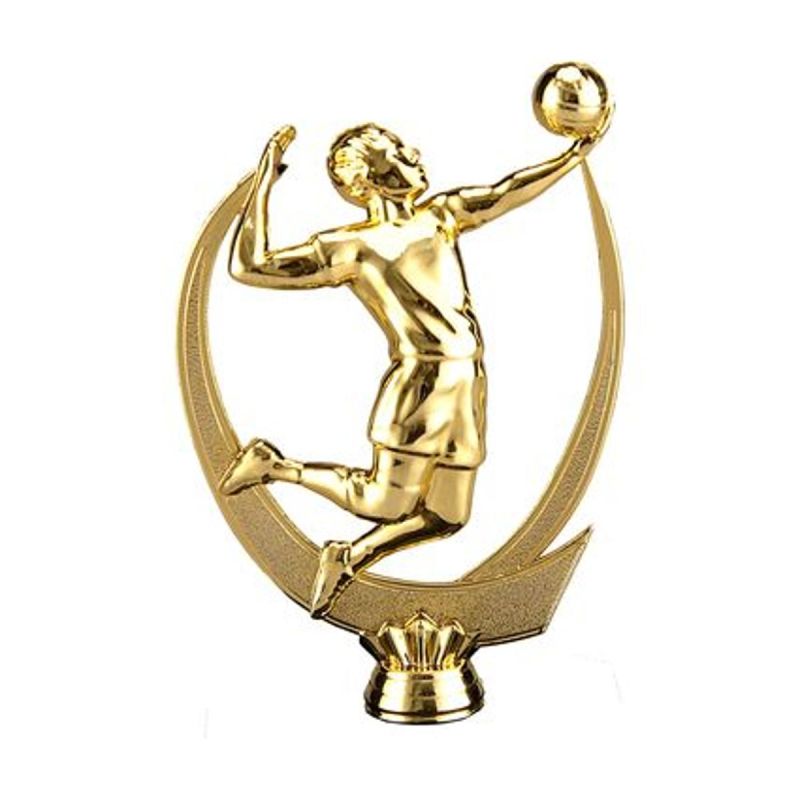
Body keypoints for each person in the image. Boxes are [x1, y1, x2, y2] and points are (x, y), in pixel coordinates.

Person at [218, 120, 606, 617]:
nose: (414, 153)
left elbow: (506, 192)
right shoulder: (353, 247)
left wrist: (572, 157)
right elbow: (250, 266)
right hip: (420, 383)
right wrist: (264, 181)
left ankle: (351, 556)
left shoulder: (442, 216)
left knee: (448, 516)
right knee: (383, 503)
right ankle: (274, 466)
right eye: (397, 151)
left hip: (467, 382)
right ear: (368, 179)